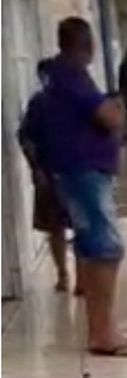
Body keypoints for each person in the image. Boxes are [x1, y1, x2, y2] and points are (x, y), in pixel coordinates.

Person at [37, 17, 127, 357]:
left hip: (75, 173)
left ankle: (101, 328)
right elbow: (108, 117)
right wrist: (118, 113)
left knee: (94, 248)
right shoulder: (71, 77)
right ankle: (103, 333)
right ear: (86, 45)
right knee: (106, 247)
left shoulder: (58, 79)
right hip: (83, 174)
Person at [17, 60, 76, 294]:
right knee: (58, 226)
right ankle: (65, 273)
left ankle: (72, 275)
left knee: (67, 226)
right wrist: (36, 168)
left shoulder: (68, 101)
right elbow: (25, 137)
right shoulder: (40, 103)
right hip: (55, 172)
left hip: (69, 171)